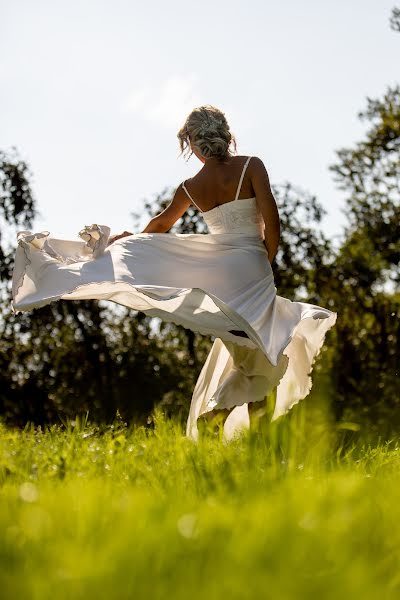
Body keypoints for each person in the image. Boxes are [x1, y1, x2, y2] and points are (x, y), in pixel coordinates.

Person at [11, 104, 337, 441]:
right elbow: (272, 219)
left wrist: (129, 240)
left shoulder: (190, 186)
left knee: (257, 354)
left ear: (194, 145)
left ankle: (240, 434)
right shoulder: (251, 166)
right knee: (264, 351)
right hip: (252, 268)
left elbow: (161, 226)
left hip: (222, 279)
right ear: (226, 135)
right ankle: (226, 424)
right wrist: (266, 264)